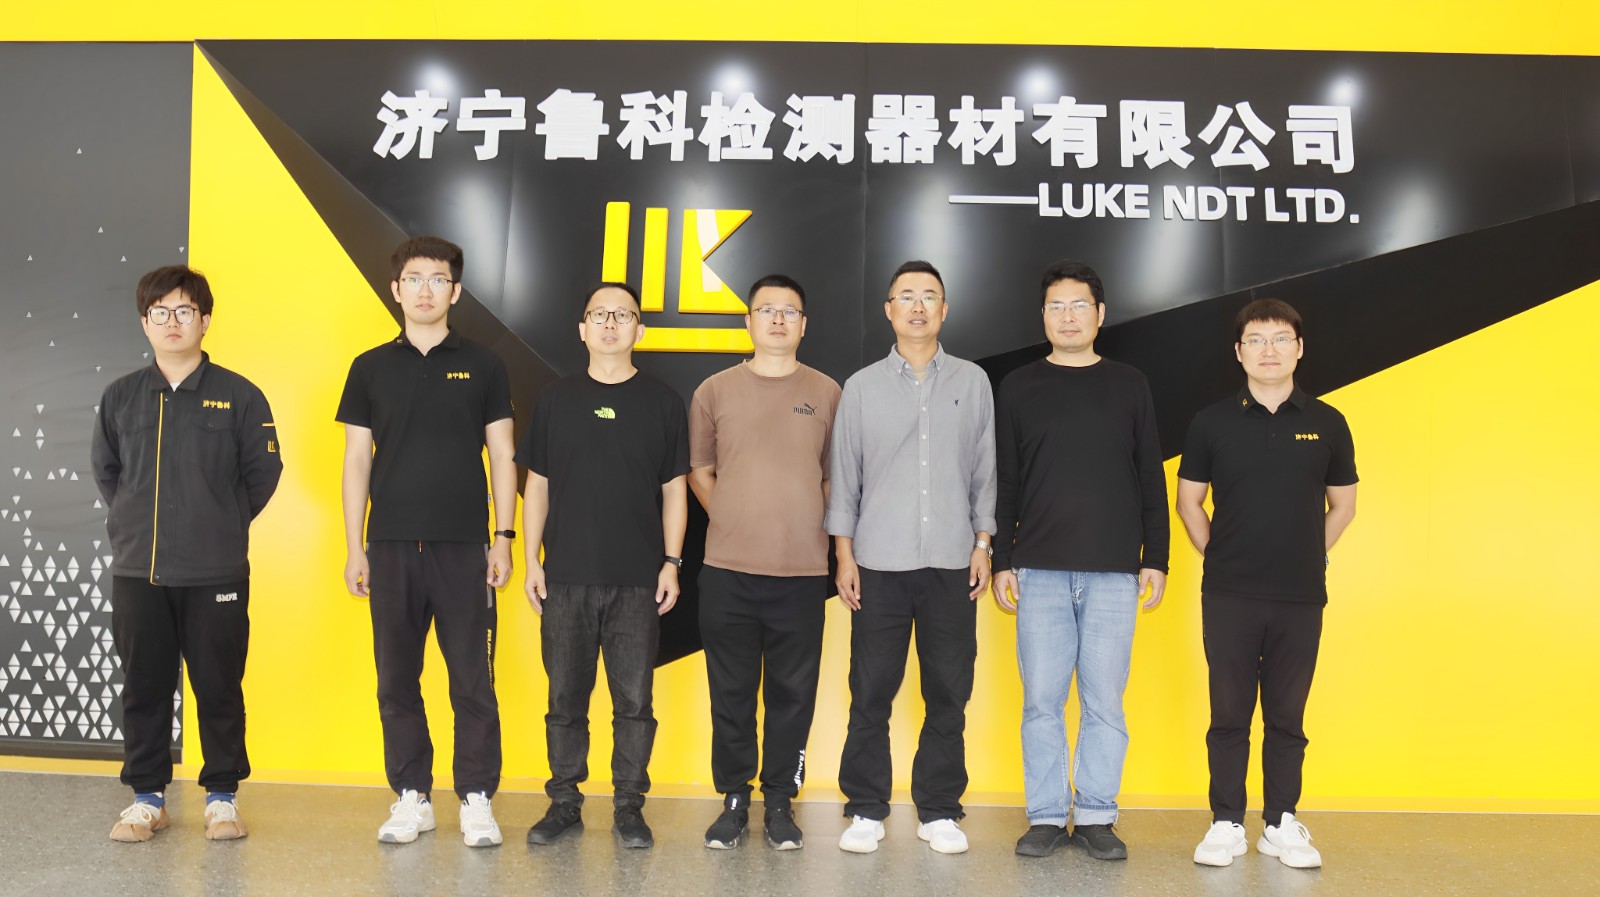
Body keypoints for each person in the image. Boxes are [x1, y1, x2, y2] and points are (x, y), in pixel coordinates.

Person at [336, 236, 517, 848]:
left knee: (472, 679)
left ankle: (476, 797)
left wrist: (503, 537)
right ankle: (412, 794)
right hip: (388, 546)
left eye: (438, 280)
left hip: (464, 547)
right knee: (396, 679)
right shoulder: (369, 367)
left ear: (455, 292)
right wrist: (355, 546)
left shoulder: (485, 365)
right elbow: (356, 459)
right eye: (413, 279)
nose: (425, 290)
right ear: (396, 289)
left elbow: (502, 454)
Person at [92, 265, 282, 842]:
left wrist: (220, 522)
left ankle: (222, 797)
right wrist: (136, 522)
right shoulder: (121, 396)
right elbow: (108, 473)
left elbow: (263, 472)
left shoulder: (240, 395)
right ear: (144, 322)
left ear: (205, 320)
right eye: (160, 312)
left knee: (219, 686)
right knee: (144, 686)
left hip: (215, 572)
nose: (172, 322)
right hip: (139, 571)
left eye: (184, 311)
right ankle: (147, 798)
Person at [992, 260, 1169, 860]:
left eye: (1079, 306)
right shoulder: (1018, 386)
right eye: (1056, 307)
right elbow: (1007, 480)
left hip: (1115, 570)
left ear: (1100, 314)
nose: (1068, 317)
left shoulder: (1130, 383)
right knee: (1041, 700)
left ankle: (1096, 814)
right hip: (1039, 569)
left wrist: (1156, 557)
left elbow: (1149, 475)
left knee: (1105, 702)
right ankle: (1045, 815)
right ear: (1043, 316)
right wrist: (1001, 559)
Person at [1176, 298, 1358, 870]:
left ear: (1299, 348)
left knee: (1287, 717)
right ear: (1239, 352)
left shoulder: (1328, 422)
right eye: (1256, 340)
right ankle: (1226, 821)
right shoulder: (1211, 422)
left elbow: (1344, 504)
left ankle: (1281, 822)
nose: (1269, 350)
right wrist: (1220, 555)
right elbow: (1188, 501)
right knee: (1229, 714)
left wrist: (1308, 554)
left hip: (1300, 596)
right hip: (1229, 594)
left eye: (1280, 339)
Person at [826, 260, 996, 855]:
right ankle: (865, 807)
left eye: (929, 297)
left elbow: (984, 471)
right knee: (871, 688)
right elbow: (845, 476)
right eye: (906, 296)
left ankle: (940, 808)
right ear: (889, 309)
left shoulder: (974, 381)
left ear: (944, 310)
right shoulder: (861, 387)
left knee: (949, 689)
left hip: (952, 561)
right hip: (878, 562)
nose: (918, 306)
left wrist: (983, 544)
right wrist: (844, 555)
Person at [518, 282, 689, 850]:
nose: (611, 324)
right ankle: (564, 802)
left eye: (623, 315)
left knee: (634, 704)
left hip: (637, 582)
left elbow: (675, 490)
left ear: (640, 329)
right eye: (600, 314)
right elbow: (536, 485)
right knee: (564, 701)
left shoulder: (663, 402)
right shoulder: (555, 398)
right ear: (582, 328)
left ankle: (629, 807)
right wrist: (531, 559)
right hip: (565, 577)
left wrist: (671, 562)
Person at [688, 274, 841, 850]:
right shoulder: (713, 391)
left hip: (802, 574)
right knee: (730, 694)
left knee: (792, 696)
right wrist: (731, 511)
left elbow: (834, 478)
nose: (778, 319)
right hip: (727, 572)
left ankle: (780, 801)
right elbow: (700, 471)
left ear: (804, 324)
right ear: (748, 321)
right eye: (767, 310)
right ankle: (733, 799)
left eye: (789, 311)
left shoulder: (827, 392)